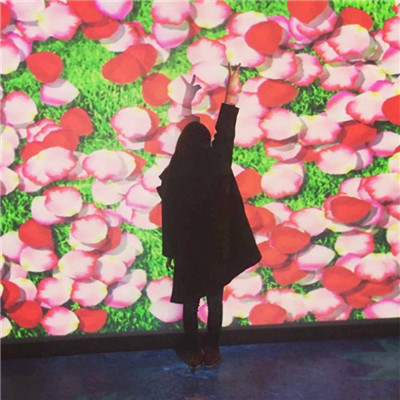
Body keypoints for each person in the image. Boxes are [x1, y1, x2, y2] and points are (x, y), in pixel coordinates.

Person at [157, 64, 261, 371]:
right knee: (214, 301)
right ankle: (212, 349)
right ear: (206, 144)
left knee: (191, 303)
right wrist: (230, 93)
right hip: (216, 246)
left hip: (188, 250)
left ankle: (193, 351)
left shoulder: (175, 173)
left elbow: (189, 132)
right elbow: (224, 131)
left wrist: (187, 102)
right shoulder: (217, 163)